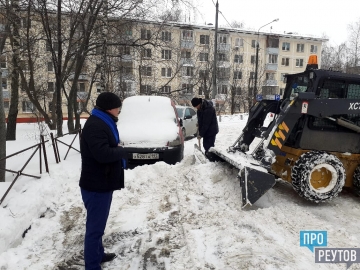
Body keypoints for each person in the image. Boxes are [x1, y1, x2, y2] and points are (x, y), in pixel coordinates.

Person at [79, 92, 127, 270]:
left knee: (98, 224)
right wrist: (122, 151)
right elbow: (102, 154)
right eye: (117, 107)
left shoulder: (102, 121)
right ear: (109, 108)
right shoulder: (96, 126)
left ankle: (98, 254)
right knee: (94, 229)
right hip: (96, 185)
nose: (119, 110)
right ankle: (92, 266)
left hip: (101, 182)